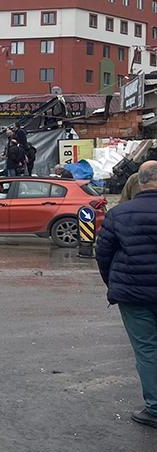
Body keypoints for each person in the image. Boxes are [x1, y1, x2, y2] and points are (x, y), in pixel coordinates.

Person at [96, 160, 157, 429]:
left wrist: (114, 283)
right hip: (133, 291)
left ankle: (155, 409)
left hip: (134, 295)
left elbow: (103, 253)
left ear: (140, 182)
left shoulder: (120, 214)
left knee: (147, 349)